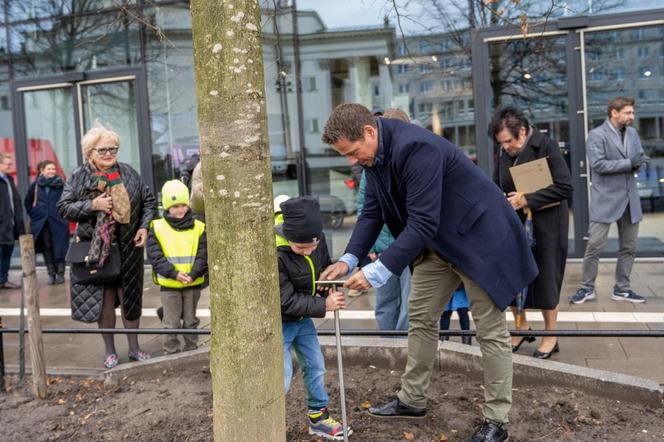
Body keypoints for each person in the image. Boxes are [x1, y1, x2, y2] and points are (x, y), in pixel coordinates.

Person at [320, 103, 538, 442]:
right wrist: (349, 259)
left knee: (490, 331)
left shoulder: (416, 147)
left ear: (368, 132)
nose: (351, 160)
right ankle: (412, 400)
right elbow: (372, 214)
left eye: (352, 152)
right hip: (439, 246)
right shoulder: (373, 156)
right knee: (420, 318)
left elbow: (422, 221)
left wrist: (377, 271)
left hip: (479, 241)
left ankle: (497, 420)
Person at [58, 124, 157, 369]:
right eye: (102, 150)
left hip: (129, 250)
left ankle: (135, 349)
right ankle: (110, 351)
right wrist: (93, 205)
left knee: (130, 299)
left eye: (113, 149)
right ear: (89, 152)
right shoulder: (79, 176)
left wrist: (144, 227)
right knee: (105, 300)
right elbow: (64, 208)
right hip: (98, 251)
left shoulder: (128, 173)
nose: (109, 154)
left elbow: (148, 201)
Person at [490, 106, 572, 359]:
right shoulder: (504, 151)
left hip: (547, 224)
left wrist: (527, 199)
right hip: (514, 223)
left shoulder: (547, 147)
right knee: (513, 275)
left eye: (509, 142)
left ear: (523, 131)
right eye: (501, 144)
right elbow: (497, 182)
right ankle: (521, 327)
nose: (505, 148)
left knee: (546, 278)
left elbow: (565, 187)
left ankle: (550, 336)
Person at [275, 196, 352, 440]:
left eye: (312, 246)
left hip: (303, 320)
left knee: (316, 366)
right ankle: (268, 422)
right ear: (288, 238)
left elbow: (322, 266)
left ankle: (318, 418)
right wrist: (324, 304)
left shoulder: (316, 239)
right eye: (301, 248)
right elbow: (284, 300)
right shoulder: (276, 254)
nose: (309, 251)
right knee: (282, 377)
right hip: (281, 323)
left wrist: (327, 284)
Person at [570, 97, 648, 305]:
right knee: (594, 246)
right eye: (628, 113)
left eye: (632, 113)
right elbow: (598, 165)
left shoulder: (632, 134)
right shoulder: (596, 135)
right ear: (614, 112)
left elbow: (638, 158)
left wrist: (639, 164)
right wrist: (629, 163)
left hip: (630, 200)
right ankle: (587, 288)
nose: (632, 117)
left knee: (629, 247)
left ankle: (622, 289)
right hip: (605, 200)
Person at [356, 108, 411, 331]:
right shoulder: (371, 167)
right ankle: (389, 345)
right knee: (386, 301)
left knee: (409, 303)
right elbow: (366, 209)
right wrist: (372, 246)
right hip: (385, 247)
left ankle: (405, 346)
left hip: (410, 245)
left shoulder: (410, 158)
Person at [147, 180, 207, 354]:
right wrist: (174, 274)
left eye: (183, 205)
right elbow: (155, 257)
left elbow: (203, 255)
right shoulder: (157, 227)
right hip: (170, 284)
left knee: (190, 320)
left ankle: (192, 350)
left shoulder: (199, 227)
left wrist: (193, 274)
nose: (180, 210)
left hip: (192, 282)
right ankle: (171, 352)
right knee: (171, 322)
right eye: (175, 206)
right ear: (167, 207)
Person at [24, 160, 70, 285]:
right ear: (42, 171)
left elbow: (68, 201)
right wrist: (35, 214)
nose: (52, 171)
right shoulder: (36, 185)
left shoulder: (61, 184)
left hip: (59, 222)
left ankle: (60, 274)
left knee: (60, 247)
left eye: (53, 169)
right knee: (46, 247)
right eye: (49, 169)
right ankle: (51, 273)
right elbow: (27, 202)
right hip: (42, 223)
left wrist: (63, 215)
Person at [0, 153, 24, 289]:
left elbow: (15, 201)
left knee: (7, 253)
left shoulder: (9, 179)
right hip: (2, 224)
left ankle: (3, 280)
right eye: (7, 164)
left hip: (9, 225)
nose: (10, 166)